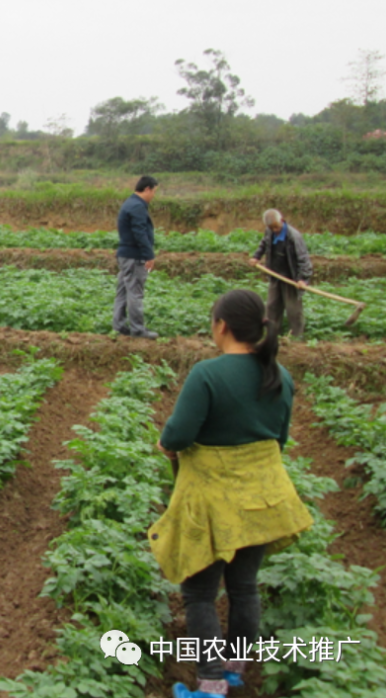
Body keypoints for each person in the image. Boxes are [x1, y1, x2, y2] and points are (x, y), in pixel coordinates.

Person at [148, 289, 313, 698]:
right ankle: (236, 667)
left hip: (211, 499)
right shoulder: (279, 374)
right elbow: (281, 438)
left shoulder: (208, 374)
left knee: (200, 591)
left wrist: (167, 445)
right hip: (262, 496)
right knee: (244, 585)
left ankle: (211, 680)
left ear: (220, 326)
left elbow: (179, 433)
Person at [249, 209, 313, 338]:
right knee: (272, 307)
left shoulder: (293, 236)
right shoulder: (269, 231)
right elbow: (264, 244)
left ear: (282, 221)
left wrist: (302, 279)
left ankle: (296, 337)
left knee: (293, 310)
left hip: (291, 278)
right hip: (275, 275)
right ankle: (271, 335)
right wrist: (256, 257)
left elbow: (304, 259)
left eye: (277, 227)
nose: (275, 230)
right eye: (272, 228)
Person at [112, 175, 159, 339]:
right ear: (147, 189)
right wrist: (148, 255)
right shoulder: (138, 206)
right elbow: (140, 232)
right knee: (135, 292)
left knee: (123, 290)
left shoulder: (129, 203)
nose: (153, 195)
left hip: (125, 254)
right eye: (154, 191)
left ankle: (119, 325)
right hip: (134, 256)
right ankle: (138, 330)